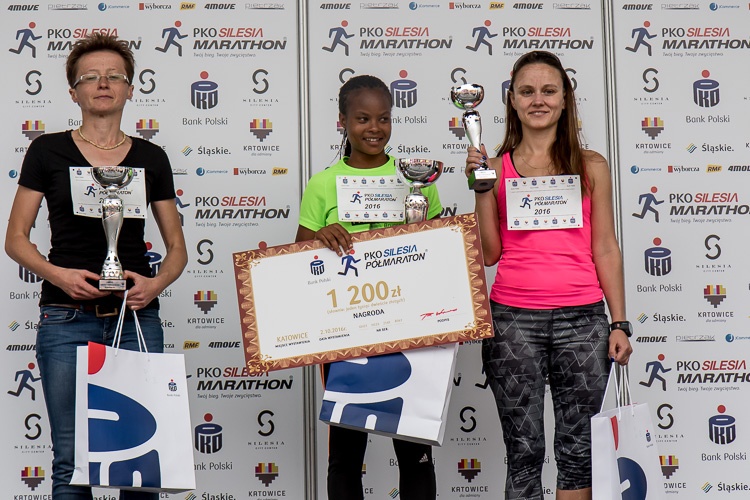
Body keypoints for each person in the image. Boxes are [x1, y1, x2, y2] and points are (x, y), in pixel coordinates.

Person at [5, 33, 187, 499]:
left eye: (114, 76)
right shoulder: (47, 151)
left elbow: (177, 249)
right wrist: (58, 275)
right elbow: (16, 239)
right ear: (74, 92)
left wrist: (156, 284)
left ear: (130, 89)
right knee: (70, 461)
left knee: (142, 461)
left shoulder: (151, 158)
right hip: (65, 319)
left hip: (135, 318)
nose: (103, 83)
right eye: (91, 77)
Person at [464, 50, 632, 500]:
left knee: (578, 453)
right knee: (523, 452)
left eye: (548, 90)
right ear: (513, 101)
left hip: (584, 322)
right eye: (527, 91)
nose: (538, 100)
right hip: (513, 322)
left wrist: (619, 322)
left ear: (564, 99)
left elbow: (605, 246)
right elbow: (490, 254)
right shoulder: (496, 167)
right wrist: (481, 189)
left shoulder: (592, 165)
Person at [295, 75, 441, 500]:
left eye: (383, 118)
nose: (374, 128)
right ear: (342, 121)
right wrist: (321, 236)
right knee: (345, 455)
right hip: (346, 331)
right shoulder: (323, 183)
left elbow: (440, 251)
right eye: (362, 118)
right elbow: (297, 258)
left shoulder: (417, 180)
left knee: (415, 452)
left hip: (408, 329)